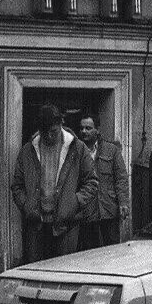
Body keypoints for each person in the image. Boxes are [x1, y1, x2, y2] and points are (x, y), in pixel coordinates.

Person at [11, 104, 98, 263]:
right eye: (45, 133)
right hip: (36, 225)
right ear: (39, 130)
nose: (50, 136)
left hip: (67, 225)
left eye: (54, 132)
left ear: (61, 124)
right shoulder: (27, 151)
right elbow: (17, 185)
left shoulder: (77, 148)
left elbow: (91, 182)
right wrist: (26, 206)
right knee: (36, 269)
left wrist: (74, 202)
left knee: (63, 269)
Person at [78, 113, 129, 249]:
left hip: (108, 208)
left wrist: (123, 203)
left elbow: (121, 178)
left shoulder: (111, 150)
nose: (84, 131)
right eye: (81, 128)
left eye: (88, 128)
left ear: (97, 130)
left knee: (112, 248)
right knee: (89, 251)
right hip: (86, 211)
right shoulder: (76, 151)